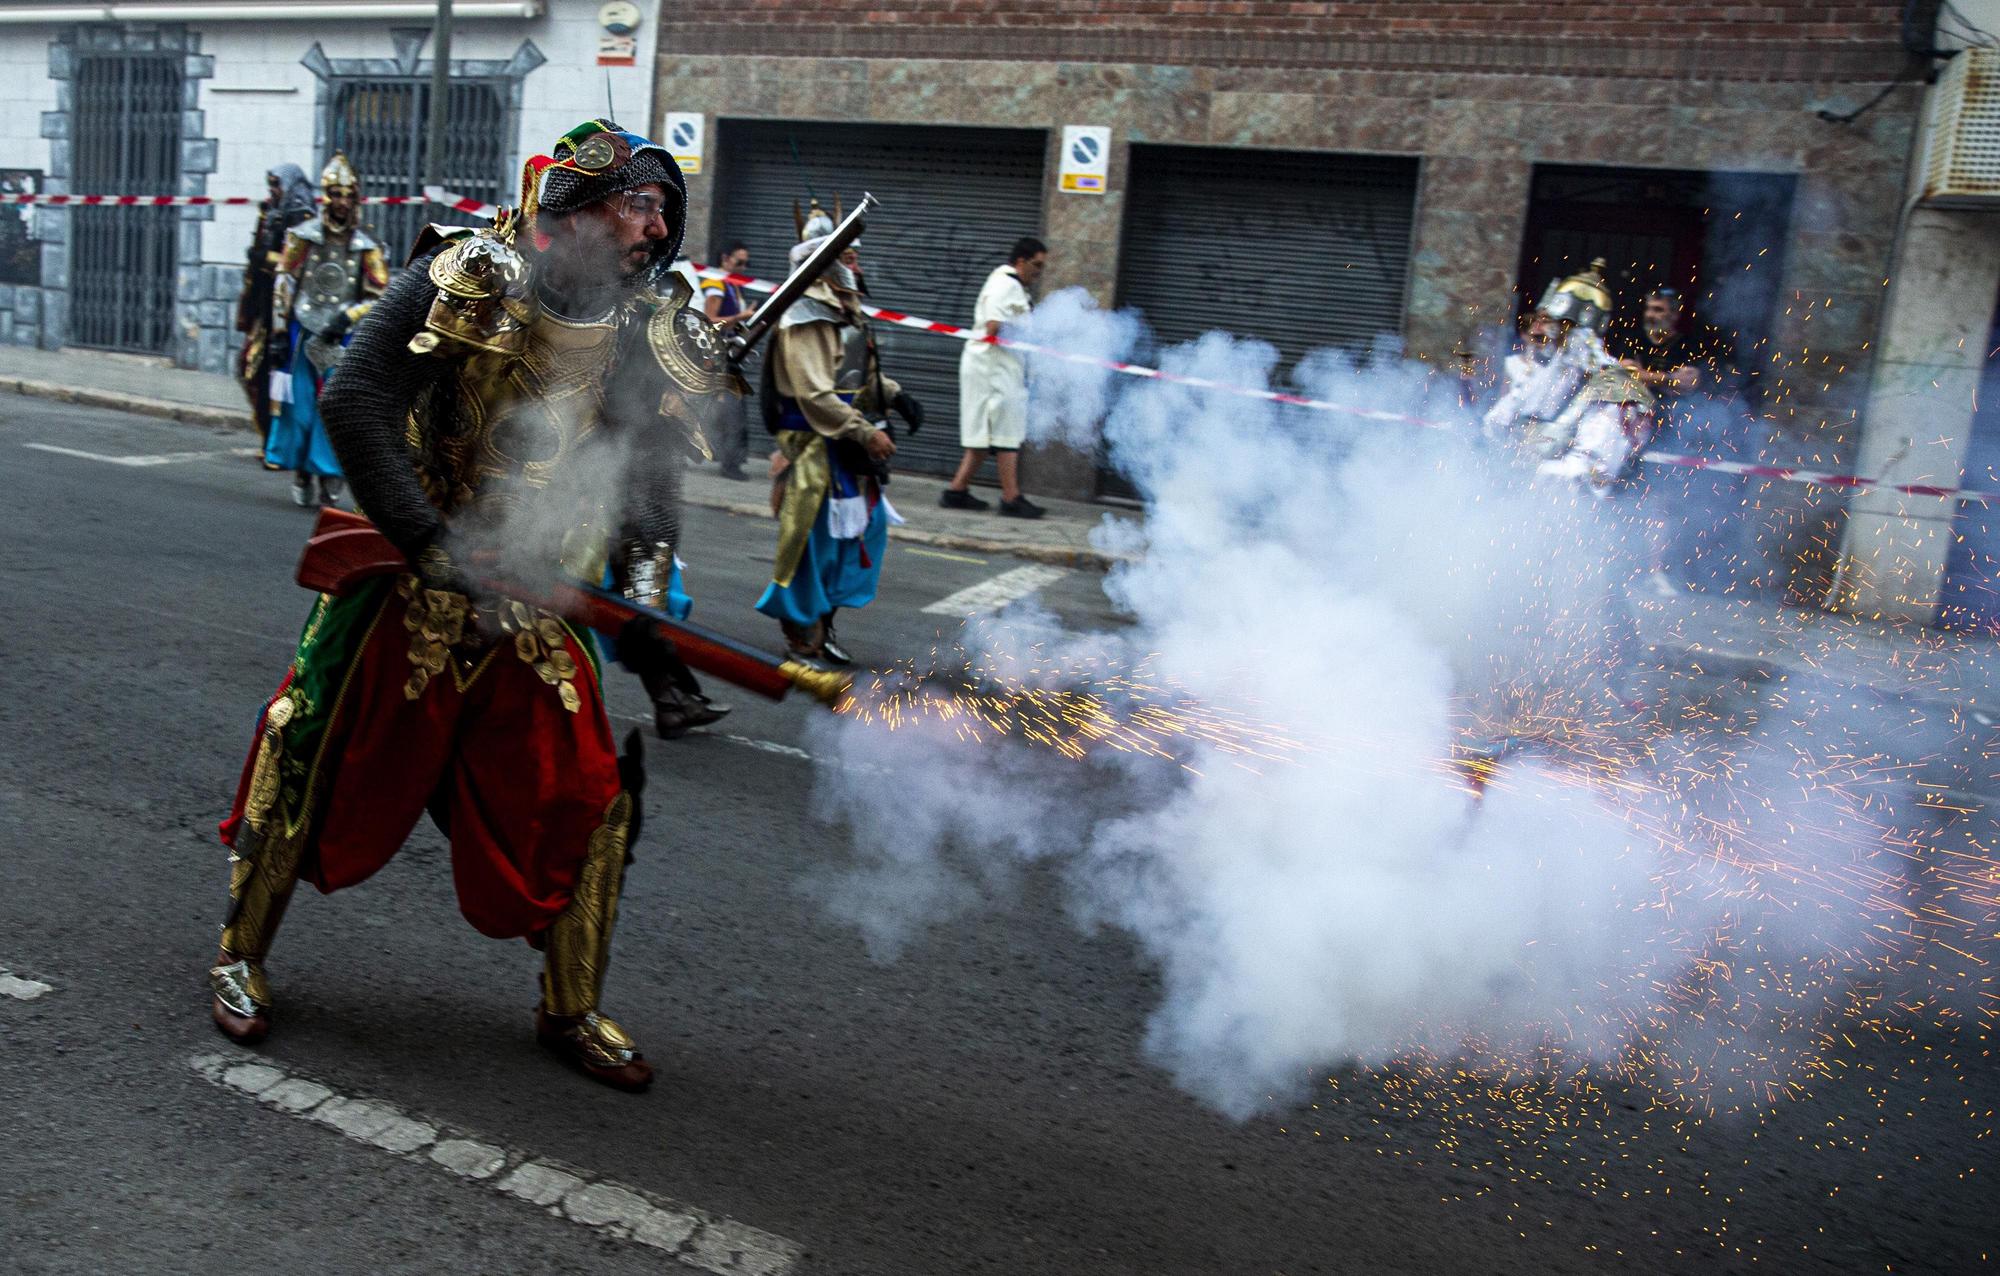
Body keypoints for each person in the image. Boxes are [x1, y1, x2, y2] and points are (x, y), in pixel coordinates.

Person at [208, 119, 730, 1092]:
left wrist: (649, 604)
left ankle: (569, 1005)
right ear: (574, 207)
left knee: (592, 797)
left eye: (664, 209)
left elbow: (646, 477)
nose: (656, 230)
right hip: (420, 583)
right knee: (310, 746)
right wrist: (427, 541)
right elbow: (356, 398)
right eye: (637, 204)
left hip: (536, 602)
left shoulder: (639, 326)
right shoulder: (472, 271)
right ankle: (240, 948)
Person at [755, 207, 923, 666]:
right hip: (813, 446)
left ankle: (825, 625)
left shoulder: (842, 311)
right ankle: (800, 632)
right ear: (824, 263)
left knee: (860, 536)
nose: (857, 267)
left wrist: (896, 395)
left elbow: (855, 377)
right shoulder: (804, 316)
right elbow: (814, 394)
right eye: (848, 257)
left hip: (843, 446)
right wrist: (866, 432)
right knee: (813, 544)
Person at [264, 153, 387, 508]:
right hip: (303, 330)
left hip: (342, 337)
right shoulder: (303, 237)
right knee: (299, 409)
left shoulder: (367, 246)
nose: (341, 202)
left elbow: (378, 293)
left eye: (347, 196)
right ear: (325, 197)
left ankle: (329, 473)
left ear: (355, 199)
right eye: (335, 195)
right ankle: (302, 470)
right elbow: (284, 280)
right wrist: (276, 332)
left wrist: (348, 318)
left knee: (332, 409)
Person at [943, 236, 1048, 519]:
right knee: (1006, 433)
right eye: (1036, 265)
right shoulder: (1005, 284)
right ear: (1020, 261)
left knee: (983, 436)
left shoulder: (1010, 285)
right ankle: (1011, 498)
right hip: (992, 368)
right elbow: (994, 326)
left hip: (996, 367)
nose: (1039, 272)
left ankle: (956, 491)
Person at [235, 164, 317, 460]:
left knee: (273, 375)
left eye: (276, 185)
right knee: (250, 368)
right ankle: (270, 438)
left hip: (286, 313)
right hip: (264, 307)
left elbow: (294, 264)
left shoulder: (302, 217)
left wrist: (264, 258)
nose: (272, 191)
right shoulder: (273, 212)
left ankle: (278, 443)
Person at [702, 239, 757, 479]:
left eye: (746, 263)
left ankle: (731, 460)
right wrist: (740, 316)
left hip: (730, 356)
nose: (743, 268)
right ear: (725, 259)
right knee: (731, 412)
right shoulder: (716, 283)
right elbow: (709, 320)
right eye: (739, 262)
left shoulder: (733, 285)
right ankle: (730, 464)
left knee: (728, 409)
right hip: (718, 357)